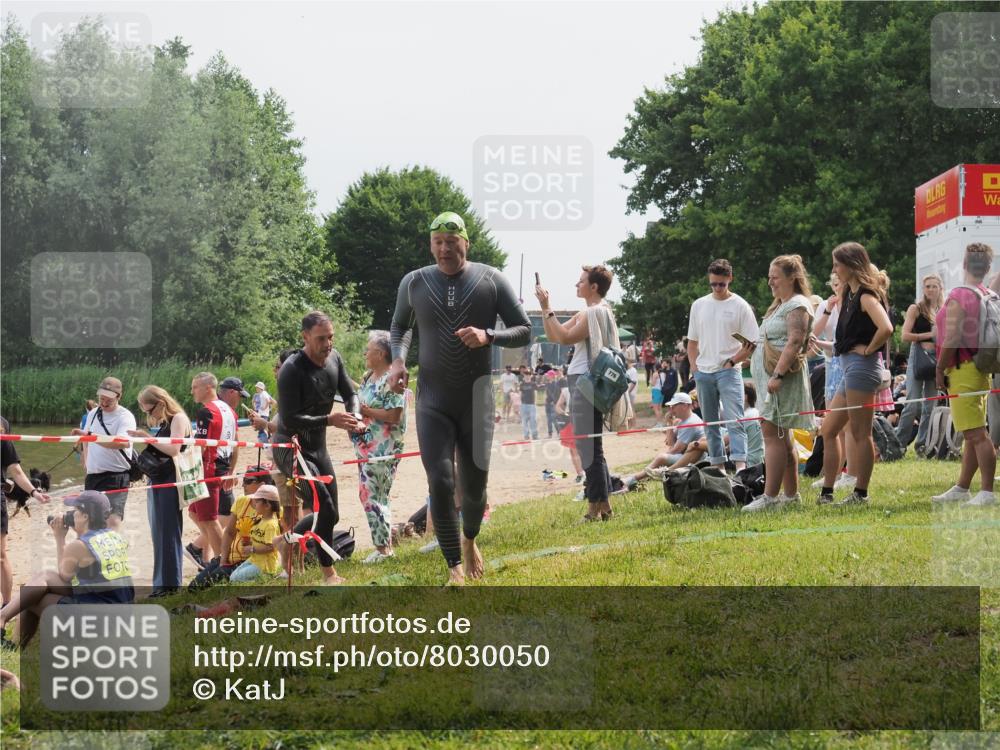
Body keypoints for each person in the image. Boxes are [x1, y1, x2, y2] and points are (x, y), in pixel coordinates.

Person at [388, 211, 531, 584]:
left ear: (466, 243)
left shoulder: (490, 279)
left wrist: (489, 335)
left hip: (477, 398)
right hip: (432, 397)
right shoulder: (414, 282)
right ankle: (453, 567)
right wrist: (398, 361)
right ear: (431, 244)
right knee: (440, 479)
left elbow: (525, 330)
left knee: (475, 486)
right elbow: (400, 326)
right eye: (438, 242)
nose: (445, 249)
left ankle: (469, 540)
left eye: (452, 242)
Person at [274, 311, 363, 585]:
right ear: (305, 337)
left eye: (331, 337)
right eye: (321, 338)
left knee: (332, 513)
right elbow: (288, 419)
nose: (328, 344)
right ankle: (329, 575)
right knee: (322, 503)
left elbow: (350, 393)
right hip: (290, 446)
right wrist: (330, 419)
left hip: (318, 448)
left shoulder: (334, 359)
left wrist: (355, 415)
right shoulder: (291, 369)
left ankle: (285, 541)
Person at [536, 265, 620, 523]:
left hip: (586, 384)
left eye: (581, 281)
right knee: (592, 447)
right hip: (584, 383)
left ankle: (593, 509)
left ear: (593, 287)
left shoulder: (594, 313)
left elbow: (564, 337)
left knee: (587, 448)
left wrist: (548, 303)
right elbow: (556, 335)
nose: (576, 284)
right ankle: (604, 506)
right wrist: (544, 308)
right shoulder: (591, 312)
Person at [0, 491, 133, 648]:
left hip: (99, 621)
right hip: (120, 615)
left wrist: (59, 537)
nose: (71, 514)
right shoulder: (115, 537)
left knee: (32, 597)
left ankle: (7, 629)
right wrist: (80, 531)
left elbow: (64, 576)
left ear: (85, 516)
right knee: (42, 580)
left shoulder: (79, 546)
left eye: (75, 510)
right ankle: (8, 634)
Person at [816, 243, 894, 506]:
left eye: (837, 264)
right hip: (850, 367)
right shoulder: (848, 294)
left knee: (861, 434)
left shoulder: (865, 296)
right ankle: (827, 491)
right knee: (828, 429)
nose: (834, 270)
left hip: (862, 368)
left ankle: (861, 493)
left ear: (851, 265)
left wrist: (868, 349)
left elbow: (886, 328)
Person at [742, 255, 816, 512]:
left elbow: (795, 341)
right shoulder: (779, 305)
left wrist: (778, 375)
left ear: (791, 277)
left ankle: (770, 498)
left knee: (772, 437)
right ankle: (791, 496)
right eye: (769, 276)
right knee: (784, 441)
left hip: (780, 382)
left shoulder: (797, 304)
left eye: (775, 276)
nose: (770, 281)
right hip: (770, 382)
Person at [932, 243, 998, 507]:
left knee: (976, 435)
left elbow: (953, 336)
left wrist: (940, 368)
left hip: (963, 369)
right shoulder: (986, 293)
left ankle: (987, 492)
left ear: (964, 263)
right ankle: (962, 487)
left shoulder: (960, 294)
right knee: (973, 432)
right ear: (988, 267)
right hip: (981, 368)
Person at [687, 259, 760, 473]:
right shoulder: (699, 305)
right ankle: (717, 466)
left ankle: (740, 468)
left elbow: (752, 343)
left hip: (728, 372)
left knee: (735, 420)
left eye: (722, 284)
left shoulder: (740, 305)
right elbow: (692, 342)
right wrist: (695, 369)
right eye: (713, 284)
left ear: (730, 280)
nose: (718, 288)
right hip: (704, 372)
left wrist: (732, 362)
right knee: (710, 423)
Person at [130, 385, 191, 596]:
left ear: (161, 403)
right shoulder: (168, 421)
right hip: (158, 480)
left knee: (168, 533)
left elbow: (174, 449)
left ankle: (170, 585)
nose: (149, 415)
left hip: (170, 482)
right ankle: (162, 584)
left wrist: (147, 437)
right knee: (159, 534)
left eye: (149, 410)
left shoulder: (179, 419)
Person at [352, 330, 407, 563]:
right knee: (370, 494)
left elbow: (395, 414)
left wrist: (366, 412)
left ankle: (383, 549)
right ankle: (383, 546)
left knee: (372, 494)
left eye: (369, 349)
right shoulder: (367, 377)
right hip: (365, 447)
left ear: (381, 353)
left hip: (384, 449)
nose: (365, 353)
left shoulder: (392, 380)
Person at [190, 466, 274, 589]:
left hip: (249, 560)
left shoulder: (272, 508)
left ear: (262, 484)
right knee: (194, 587)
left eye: (248, 481)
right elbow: (229, 532)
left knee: (212, 583)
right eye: (243, 480)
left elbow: (273, 544)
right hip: (230, 556)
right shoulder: (241, 501)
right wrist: (223, 558)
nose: (243, 485)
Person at [186, 373, 238, 569]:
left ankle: (222, 563)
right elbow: (235, 445)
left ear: (208, 388)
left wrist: (190, 472)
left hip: (207, 470)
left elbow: (201, 447)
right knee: (195, 513)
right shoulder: (230, 411)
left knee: (210, 519)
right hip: (221, 468)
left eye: (195, 387)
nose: (192, 391)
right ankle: (206, 555)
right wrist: (231, 471)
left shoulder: (206, 412)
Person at [811, 271, 858, 490]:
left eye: (841, 283)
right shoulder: (824, 305)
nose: (838, 287)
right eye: (835, 283)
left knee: (848, 424)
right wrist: (829, 310)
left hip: (847, 362)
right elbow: (814, 334)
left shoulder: (854, 302)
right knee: (832, 421)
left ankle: (849, 472)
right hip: (831, 363)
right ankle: (835, 472)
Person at [1, 416, 52, 607]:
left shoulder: (2, 432)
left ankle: (6, 605)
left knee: (1, 555)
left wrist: (34, 492)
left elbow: (16, 470)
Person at [72, 377, 137, 524]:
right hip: (93, 476)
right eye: (102, 398)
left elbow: (122, 443)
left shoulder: (126, 416)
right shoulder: (93, 413)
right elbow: (86, 439)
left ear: (119, 397)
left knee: (113, 520)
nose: (104, 403)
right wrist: (86, 462)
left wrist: (91, 437)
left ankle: (113, 546)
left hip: (116, 475)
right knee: (89, 520)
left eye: (109, 400)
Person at [897, 274, 944, 453]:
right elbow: (905, 335)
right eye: (927, 286)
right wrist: (929, 335)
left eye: (934, 286)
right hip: (919, 355)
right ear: (923, 289)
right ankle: (899, 444)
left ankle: (922, 445)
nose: (931, 289)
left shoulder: (943, 309)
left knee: (930, 406)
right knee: (912, 403)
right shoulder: (916, 308)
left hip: (937, 357)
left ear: (940, 288)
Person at [622, 393, 706, 489]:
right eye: (670, 407)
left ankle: (633, 479)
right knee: (660, 458)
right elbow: (670, 443)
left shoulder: (690, 423)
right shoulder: (683, 421)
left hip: (695, 459)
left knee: (661, 458)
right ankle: (641, 477)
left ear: (685, 406)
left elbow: (676, 450)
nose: (671, 409)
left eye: (674, 406)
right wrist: (669, 423)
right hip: (685, 455)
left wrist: (662, 456)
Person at [228, 485, 282, 582]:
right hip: (255, 560)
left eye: (257, 502)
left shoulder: (270, 525)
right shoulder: (261, 520)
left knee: (235, 579)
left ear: (267, 505)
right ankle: (263, 579)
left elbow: (270, 547)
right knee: (233, 576)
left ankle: (267, 578)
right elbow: (258, 540)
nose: (254, 504)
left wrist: (252, 549)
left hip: (265, 565)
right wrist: (248, 543)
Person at [555, 382, 585, 487]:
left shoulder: (583, 387)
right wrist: (564, 414)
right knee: (572, 451)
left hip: (580, 420)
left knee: (576, 450)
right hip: (570, 421)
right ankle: (580, 474)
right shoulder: (566, 390)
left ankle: (582, 474)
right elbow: (557, 406)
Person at [742, 381, 765, 467]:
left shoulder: (745, 417)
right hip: (761, 459)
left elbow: (726, 441)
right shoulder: (758, 412)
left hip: (748, 461)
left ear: (745, 396)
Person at [518, 364, 541, 441]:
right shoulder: (522, 384)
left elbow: (536, 392)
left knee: (533, 421)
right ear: (524, 376)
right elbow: (520, 394)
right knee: (524, 421)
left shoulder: (533, 384)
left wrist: (536, 402)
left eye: (529, 375)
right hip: (523, 404)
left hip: (531, 404)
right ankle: (526, 435)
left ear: (531, 376)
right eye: (526, 375)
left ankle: (534, 435)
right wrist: (519, 405)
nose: (527, 376)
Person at [544, 369, 562, 438]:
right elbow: (547, 393)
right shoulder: (547, 384)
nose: (547, 376)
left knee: (554, 419)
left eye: (548, 375)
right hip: (547, 403)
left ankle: (559, 432)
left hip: (553, 403)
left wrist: (553, 401)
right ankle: (550, 433)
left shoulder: (556, 384)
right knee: (548, 419)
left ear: (551, 376)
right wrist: (546, 400)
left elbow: (556, 394)